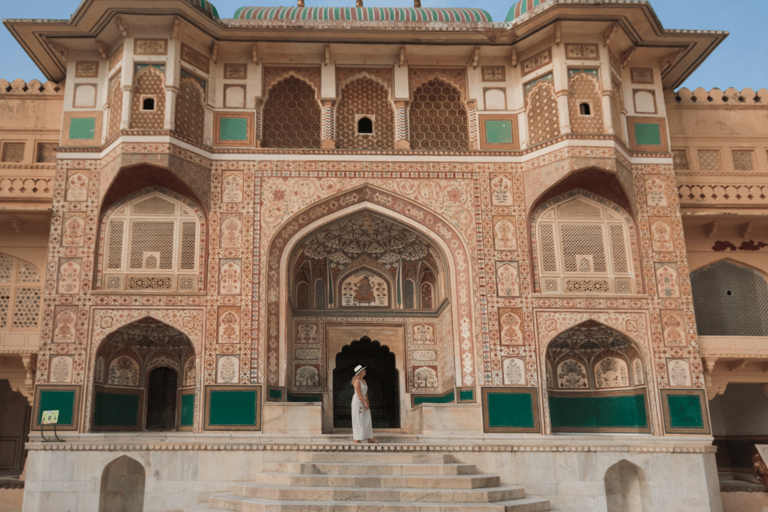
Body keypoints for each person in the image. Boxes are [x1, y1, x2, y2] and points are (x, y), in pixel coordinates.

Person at [351, 365, 376, 443]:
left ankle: (369, 438)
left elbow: (365, 393)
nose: (365, 371)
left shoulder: (364, 381)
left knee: (367, 418)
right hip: (358, 401)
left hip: (364, 400)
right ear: (360, 372)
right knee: (358, 418)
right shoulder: (356, 381)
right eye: (364, 370)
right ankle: (356, 438)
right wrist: (365, 402)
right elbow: (359, 393)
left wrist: (367, 401)